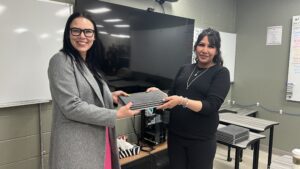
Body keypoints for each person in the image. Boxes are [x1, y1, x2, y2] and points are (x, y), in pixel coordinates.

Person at [47, 12, 139, 169]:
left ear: (94, 36)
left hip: (99, 140)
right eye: (76, 30)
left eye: (88, 31)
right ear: (68, 34)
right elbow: (72, 106)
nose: (82, 36)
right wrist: (116, 114)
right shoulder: (60, 60)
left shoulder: (87, 63)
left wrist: (110, 96)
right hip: (77, 147)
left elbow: (88, 94)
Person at [147, 28, 230, 169]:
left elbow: (211, 106)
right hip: (176, 136)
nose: (205, 50)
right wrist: (159, 93)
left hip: (201, 141)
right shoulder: (184, 69)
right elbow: (172, 95)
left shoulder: (221, 72)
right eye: (201, 45)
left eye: (211, 46)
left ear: (216, 51)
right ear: (195, 47)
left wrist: (182, 101)